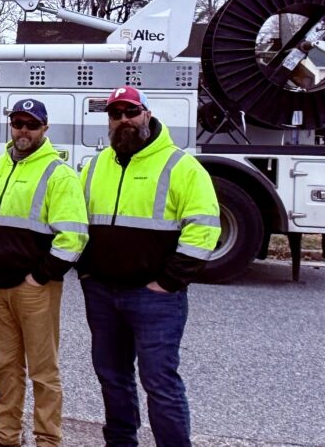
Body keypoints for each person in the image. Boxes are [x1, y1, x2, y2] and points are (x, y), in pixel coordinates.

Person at [78, 86, 220, 447]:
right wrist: (86, 271)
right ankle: (120, 442)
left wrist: (169, 282)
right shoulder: (95, 166)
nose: (123, 120)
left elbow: (204, 228)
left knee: (159, 382)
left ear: (147, 114)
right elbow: (76, 220)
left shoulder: (180, 165)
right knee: (112, 377)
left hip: (155, 297)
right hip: (102, 292)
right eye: (116, 114)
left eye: (131, 112)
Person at [0, 99, 88, 447]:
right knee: (4, 366)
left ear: (45, 128)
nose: (24, 131)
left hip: (35, 289)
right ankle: (4, 435)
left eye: (32, 124)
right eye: (18, 123)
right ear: (11, 126)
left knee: (44, 371)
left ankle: (47, 439)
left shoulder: (58, 174)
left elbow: (73, 236)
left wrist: (41, 276)